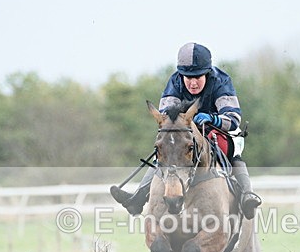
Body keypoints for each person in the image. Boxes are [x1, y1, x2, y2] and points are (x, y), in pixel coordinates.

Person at [110, 42, 262, 219]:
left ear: (207, 73)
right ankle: (138, 198)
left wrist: (213, 119)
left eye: (197, 77)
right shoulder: (175, 81)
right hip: (185, 130)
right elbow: (167, 117)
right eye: (188, 77)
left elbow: (233, 119)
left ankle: (246, 194)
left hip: (217, 129)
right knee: (166, 150)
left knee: (232, 151)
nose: (193, 83)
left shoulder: (221, 81)